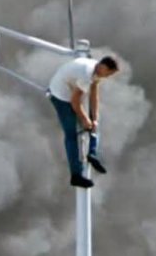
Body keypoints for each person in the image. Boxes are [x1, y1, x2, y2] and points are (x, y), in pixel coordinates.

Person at [46, 54, 120, 187]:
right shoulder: (86, 74)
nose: (108, 77)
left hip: (72, 92)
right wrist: (85, 119)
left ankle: (92, 153)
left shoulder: (96, 69)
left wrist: (94, 118)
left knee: (94, 123)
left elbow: (94, 94)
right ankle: (76, 175)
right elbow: (74, 101)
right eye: (109, 73)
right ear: (103, 67)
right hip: (60, 96)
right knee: (71, 134)